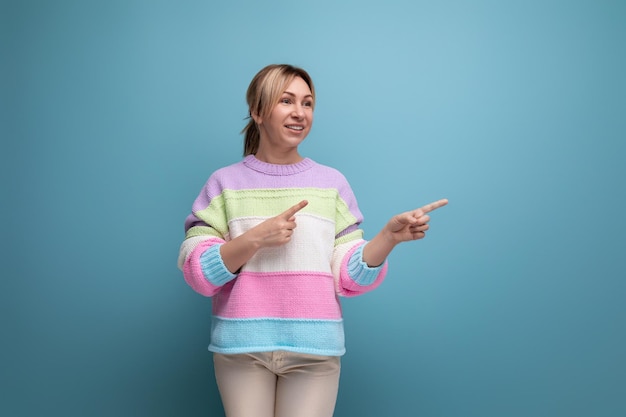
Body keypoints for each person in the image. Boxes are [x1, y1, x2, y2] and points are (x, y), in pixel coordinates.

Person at [178, 64, 448, 417]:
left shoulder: (331, 183)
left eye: (307, 103)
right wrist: (256, 238)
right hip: (242, 349)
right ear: (258, 112)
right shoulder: (224, 183)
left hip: (314, 349)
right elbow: (197, 273)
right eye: (286, 101)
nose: (299, 113)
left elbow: (349, 278)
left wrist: (388, 238)